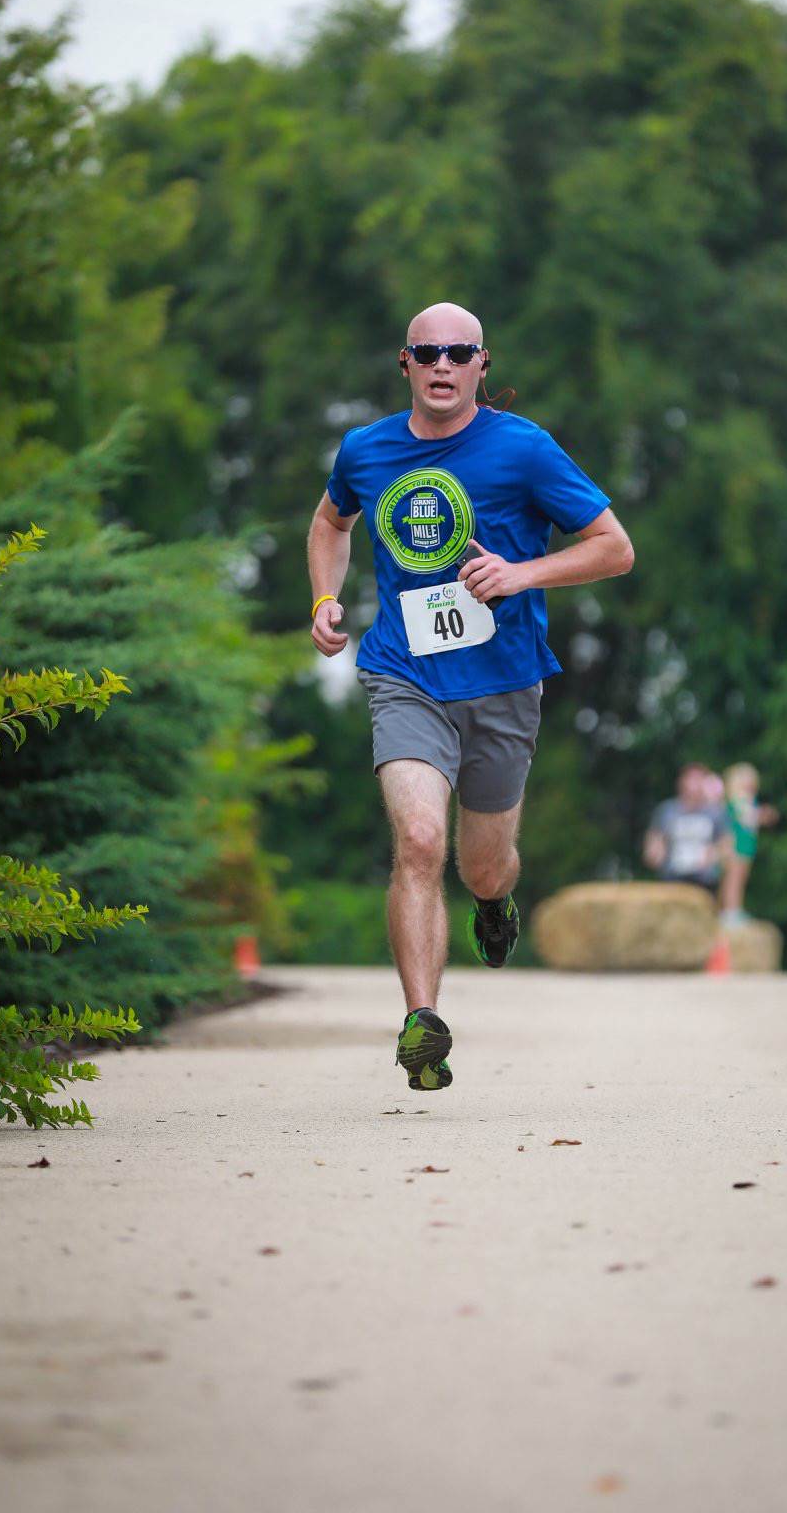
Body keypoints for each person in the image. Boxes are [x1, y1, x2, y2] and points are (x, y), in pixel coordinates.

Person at [307, 301, 633, 1091]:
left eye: (460, 353)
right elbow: (329, 522)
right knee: (419, 840)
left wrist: (521, 573)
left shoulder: (524, 450)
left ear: (483, 365)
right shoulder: (366, 449)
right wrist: (324, 600)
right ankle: (423, 1022)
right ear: (406, 364)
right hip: (403, 674)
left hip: (505, 683)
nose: (443, 366)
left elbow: (614, 549)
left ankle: (495, 904)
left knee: (485, 867)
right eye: (428, 354)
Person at [643, 763, 730, 894]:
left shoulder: (716, 812)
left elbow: (726, 845)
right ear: (681, 782)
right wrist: (654, 852)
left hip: (704, 880)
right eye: (691, 778)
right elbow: (654, 840)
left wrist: (714, 854)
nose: (694, 784)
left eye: (699, 779)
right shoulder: (667, 810)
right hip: (672, 877)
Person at [719, 761, 779, 925]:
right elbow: (750, 817)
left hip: (745, 847)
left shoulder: (747, 802)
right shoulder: (736, 803)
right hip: (736, 847)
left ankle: (733, 909)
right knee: (734, 879)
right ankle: (730, 911)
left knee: (740, 878)